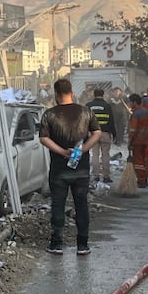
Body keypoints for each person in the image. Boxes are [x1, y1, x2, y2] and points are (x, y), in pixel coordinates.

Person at [38, 78, 103, 256]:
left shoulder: (49, 114)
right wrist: (82, 150)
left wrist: (61, 151)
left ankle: (56, 244)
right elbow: (97, 132)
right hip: (80, 169)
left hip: (59, 170)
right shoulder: (86, 112)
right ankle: (83, 245)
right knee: (81, 205)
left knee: (58, 205)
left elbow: (43, 138)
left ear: (56, 95)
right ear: (72, 93)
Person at [86, 87, 115, 183]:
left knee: (95, 155)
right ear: (103, 95)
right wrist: (114, 134)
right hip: (105, 133)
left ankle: (96, 176)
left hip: (93, 134)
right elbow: (111, 121)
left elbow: (85, 121)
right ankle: (106, 176)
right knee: (105, 155)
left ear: (94, 94)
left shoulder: (88, 105)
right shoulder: (107, 106)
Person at [126, 94, 148, 187]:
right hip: (147, 139)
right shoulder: (146, 111)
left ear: (134, 102)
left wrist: (129, 142)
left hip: (138, 141)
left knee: (138, 162)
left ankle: (141, 181)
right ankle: (145, 178)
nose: (129, 104)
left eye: (130, 102)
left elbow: (133, 130)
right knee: (146, 160)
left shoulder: (136, 113)